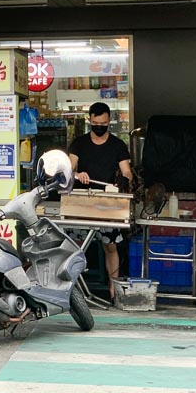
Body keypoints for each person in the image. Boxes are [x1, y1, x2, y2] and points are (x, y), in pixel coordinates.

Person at [68, 101, 133, 303]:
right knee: (74, 246)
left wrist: (123, 180)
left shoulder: (117, 145)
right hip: (80, 202)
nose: (99, 126)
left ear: (109, 122)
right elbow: (68, 170)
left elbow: (127, 172)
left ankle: (114, 287)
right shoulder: (79, 143)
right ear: (89, 121)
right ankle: (71, 288)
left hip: (107, 202)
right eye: (96, 123)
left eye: (103, 123)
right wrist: (78, 175)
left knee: (110, 246)